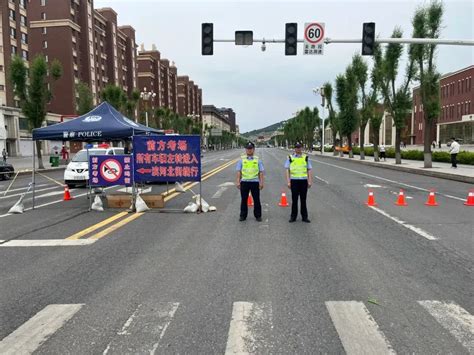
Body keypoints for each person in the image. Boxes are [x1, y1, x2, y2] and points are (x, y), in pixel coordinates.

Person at [236, 142, 264, 222]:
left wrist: (261, 182)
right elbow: (239, 172)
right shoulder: (242, 160)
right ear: (246, 150)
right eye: (248, 149)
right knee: (244, 200)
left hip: (255, 182)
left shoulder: (258, 160)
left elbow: (261, 172)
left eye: (251, 148)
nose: (249, 150)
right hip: (244, 182)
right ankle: (243, 216)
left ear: (253, 149)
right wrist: (238, 181)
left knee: (256, 200)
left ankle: (258, 216)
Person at [285, 142, 313, 223]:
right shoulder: (290, 158)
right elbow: (287, 170)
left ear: (302, 148)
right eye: (297, 147)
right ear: (294, 148)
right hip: (294, 181)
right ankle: (293, 217)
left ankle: (304, 217)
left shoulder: (306, 158)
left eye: (299, 147)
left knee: (303, 200)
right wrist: (288, 181)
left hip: (304, 181)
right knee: (294, 200)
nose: (298, 149)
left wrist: (310, 181)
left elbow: (309, 170)